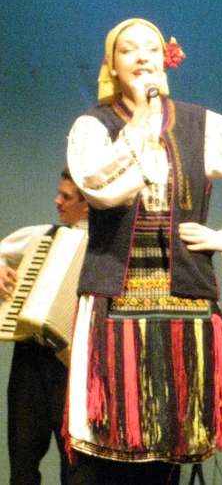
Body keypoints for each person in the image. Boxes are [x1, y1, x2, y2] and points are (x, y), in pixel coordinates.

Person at [64, 18, 222, 484]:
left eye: (151, 48)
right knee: (104, 445)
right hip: (114, 292)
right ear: (113, 65)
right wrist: (141, 127)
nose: (142, 56)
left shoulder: (202, 124)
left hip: (183, 295)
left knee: (168, 442)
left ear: (166, 58)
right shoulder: (94, 124)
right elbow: (97, 187)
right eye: (129, 50)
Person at [0, 168, 89, 485]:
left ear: (87, 204)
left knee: (76, 467)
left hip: (75, 367)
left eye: (66, 197)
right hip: (30, 361)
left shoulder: (105, 252)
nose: (57, 201)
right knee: (22, 462)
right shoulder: (40, 236)